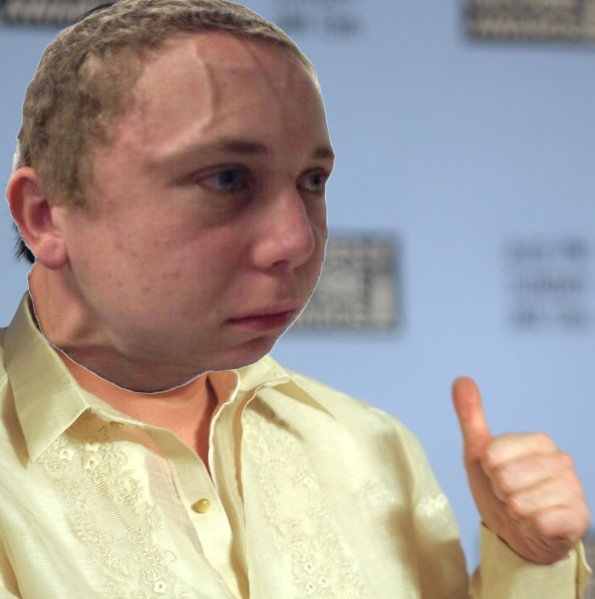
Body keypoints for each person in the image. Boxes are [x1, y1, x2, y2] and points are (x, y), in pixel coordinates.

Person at [1, 0, 591, 596]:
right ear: (45, 216)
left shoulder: (369, 449)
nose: (297, 240)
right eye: (227, 179)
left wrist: (529, 563)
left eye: (312, 181)